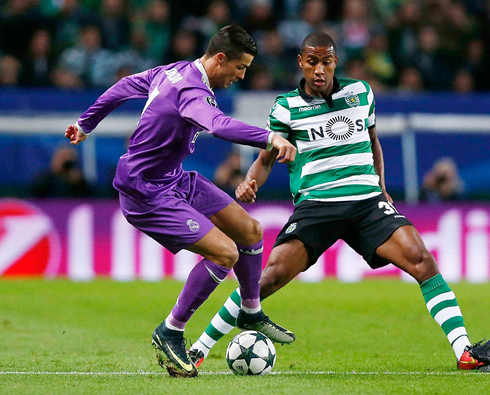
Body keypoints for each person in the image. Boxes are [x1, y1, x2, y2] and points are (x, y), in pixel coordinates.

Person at [189, 32, 490, 372]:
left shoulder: (361, 93)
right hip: (317, 206)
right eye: (312, 62)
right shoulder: (287, 107)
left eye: (326, 62)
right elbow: (267, 159)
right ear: (301, 63)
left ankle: (464, 352)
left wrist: (381, 185)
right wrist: (249, 182)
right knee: (267, 279)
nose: (319, 70)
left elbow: (373, 142)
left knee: (422, 261)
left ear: (335, 62)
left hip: (367, 203)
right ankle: (198, 349)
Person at [64, 25, 297, 378]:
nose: (242, 75)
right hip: (146, 191)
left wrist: (86, 124)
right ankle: (170, 330)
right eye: (240, 67)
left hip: (173, 178)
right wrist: (270, 138)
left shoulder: (173, 71)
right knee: (225, 253)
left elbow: (124, 86)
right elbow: (218, 125)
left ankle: (250, 310)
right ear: (220, 59)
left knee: (249, 231)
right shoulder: (191, 91)